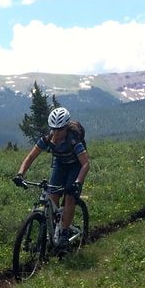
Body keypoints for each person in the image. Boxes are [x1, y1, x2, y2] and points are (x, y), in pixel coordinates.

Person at [13, 106, 90, 249]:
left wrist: (78, 182)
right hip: (60, 163)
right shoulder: (47, 139)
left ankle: (64, 234)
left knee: (69, 196)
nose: (56, 132)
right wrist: (20, 174)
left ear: (66, 127)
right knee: (52, 195)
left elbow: (86, 164)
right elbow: (30, 157)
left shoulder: (73, 140)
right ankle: (54, 230)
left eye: (60, 129)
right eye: (53, 128)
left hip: (76, 165)